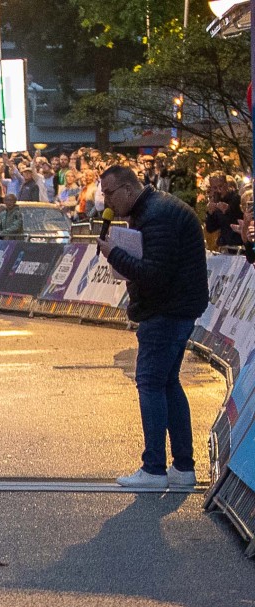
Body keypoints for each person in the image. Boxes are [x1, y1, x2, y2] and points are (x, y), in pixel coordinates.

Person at [96, 165, 209, 488]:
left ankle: (155, 468)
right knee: (167, 383)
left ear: (129, 189)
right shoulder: (155, 209)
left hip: (167, 311)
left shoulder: (157, 216)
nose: (107, 201)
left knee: (150, 383)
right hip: (176, 308)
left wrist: (114, 253)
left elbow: (154, 274)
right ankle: (183, 467)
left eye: (110, 193)